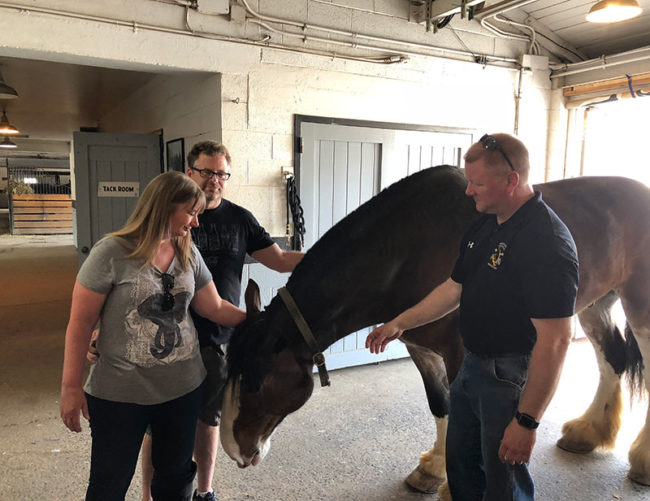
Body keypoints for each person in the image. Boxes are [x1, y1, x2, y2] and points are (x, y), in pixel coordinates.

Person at [366, 133, 579, 500]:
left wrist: (527, 421)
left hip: (509, 375)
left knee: (504, 483)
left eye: (477, 183)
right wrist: (400, 322)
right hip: (471, 365)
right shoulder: (486, 223)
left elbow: (557, 339)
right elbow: (454, 288)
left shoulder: (546, 242)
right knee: (462, 468)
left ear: (511, 181)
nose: (468, 191)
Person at [61, 171, 246, 501]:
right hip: (119, 393)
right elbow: (80, 322)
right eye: (190, 213)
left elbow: (215, 307)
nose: (196, 222)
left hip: (183, 389)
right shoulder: (112, 252)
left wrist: (263, 321)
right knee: (109, 482)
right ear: (164, 206)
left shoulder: (188, 252)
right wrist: (70, 387)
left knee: (175, 479)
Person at [145, 141, 304, 501]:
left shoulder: (240, 219)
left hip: (218, 337)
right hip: (166, 338)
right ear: (190, 173)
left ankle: (205, 491)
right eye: (207, 172)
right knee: (159, 425)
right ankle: (147, 496)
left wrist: (323, 258)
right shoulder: (169, 217)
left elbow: (279, 260)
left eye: (222, 174)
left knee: (209, 419)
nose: (214, 180)